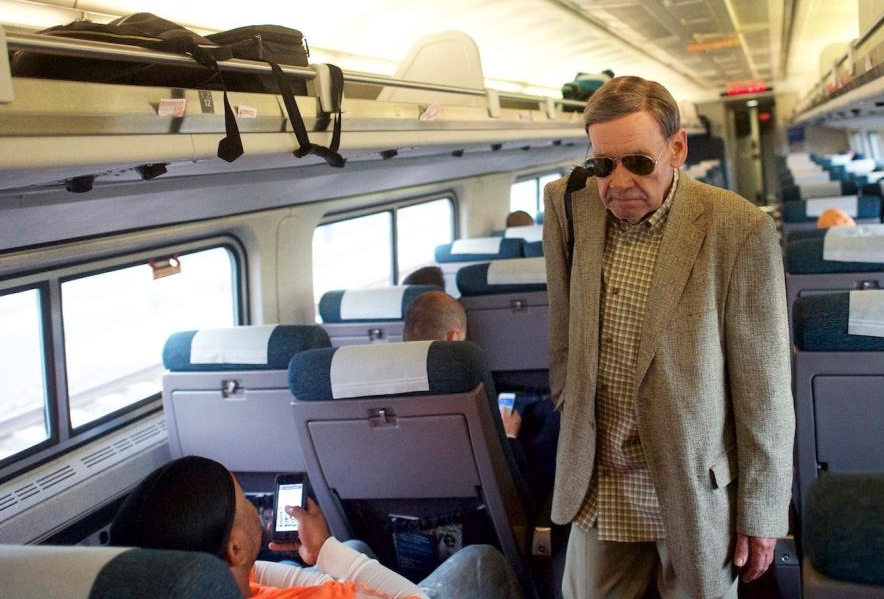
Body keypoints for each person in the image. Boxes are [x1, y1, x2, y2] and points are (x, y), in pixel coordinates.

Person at [542, 76, 793, 599]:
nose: (617, 182)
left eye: (637, 162)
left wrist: (764, 509)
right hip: (600, 475)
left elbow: (764, 389)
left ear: (677, 148)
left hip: (693, 480)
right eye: (602, 164)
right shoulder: (569, 204)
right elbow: (563, 330)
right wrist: (572, 403)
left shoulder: (738, 228)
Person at [110, 456, 522, 599]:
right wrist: (327, 549)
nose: (257, 509)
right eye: (244, 501)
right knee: (479, 561)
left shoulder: (202, 583)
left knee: (356, 544)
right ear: (233, 550)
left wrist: (321, 554)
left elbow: (254, 574)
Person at [403, 291, 560, 507]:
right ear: (453, 337)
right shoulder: (462, 386)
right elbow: (505, 481)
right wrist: (509, 437)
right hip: (482, 515)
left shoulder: (385, 386)